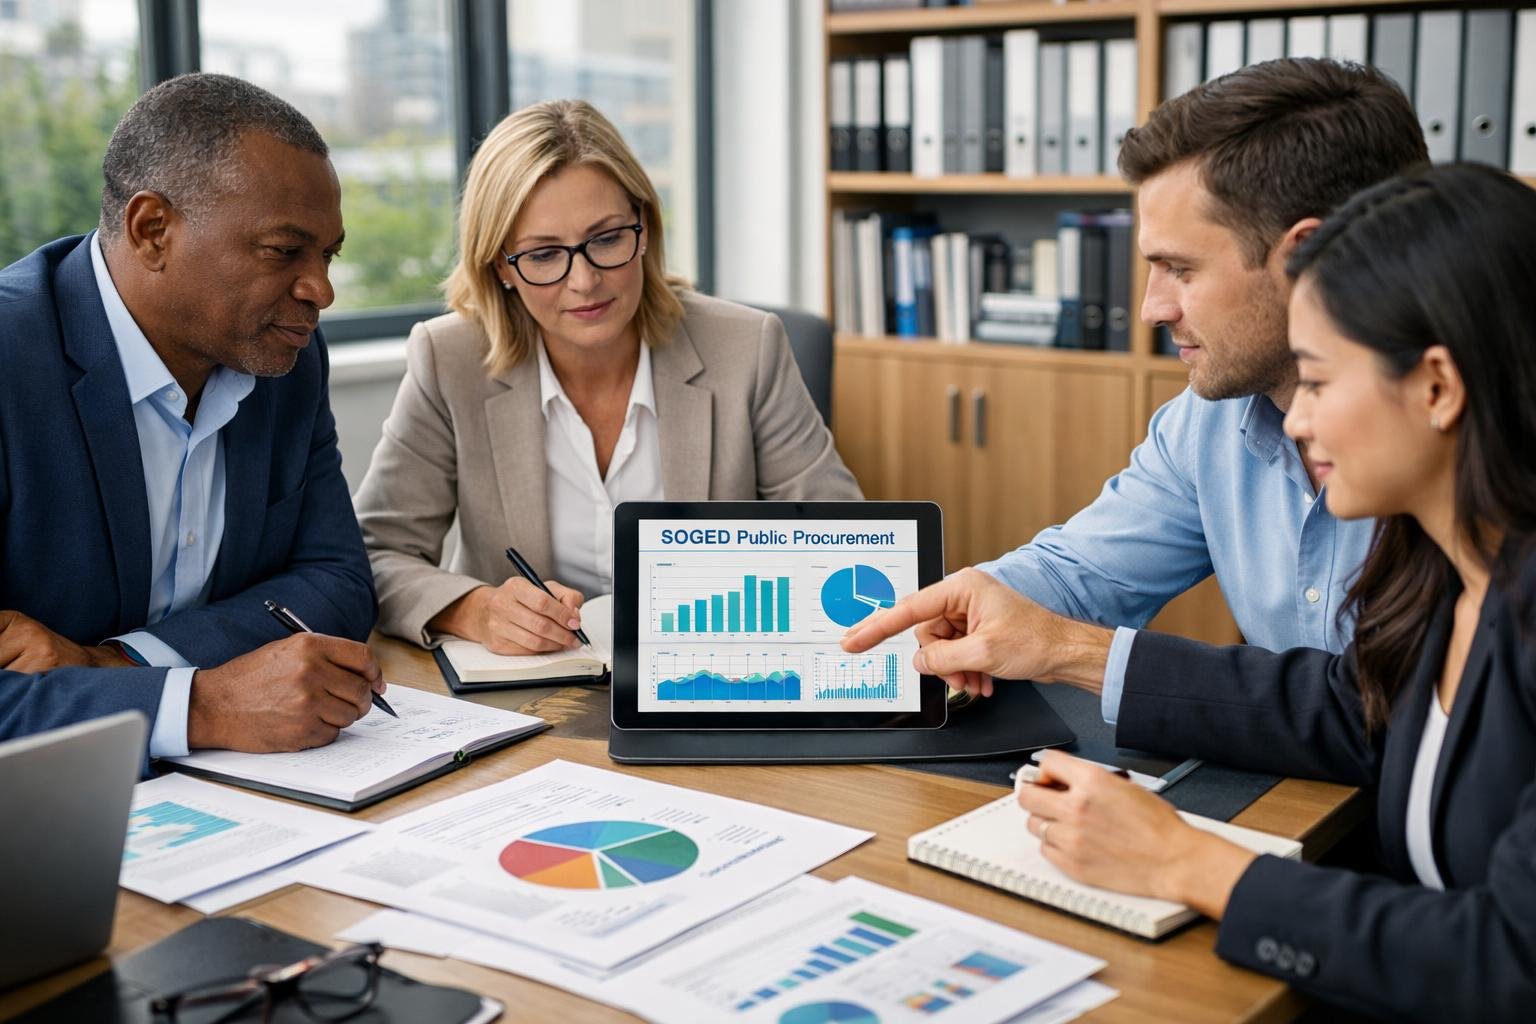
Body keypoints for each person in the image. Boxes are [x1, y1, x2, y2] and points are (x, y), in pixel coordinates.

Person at [848, 164, 1536, 1020]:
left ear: (1437, 387)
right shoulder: (1453, 571)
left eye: (1320, 382)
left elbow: (1511, 963)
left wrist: (1186, 862)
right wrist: (1063, 648)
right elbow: (1357, 707)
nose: (1297, 420)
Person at [973, 59, 1428, 721]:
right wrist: (964, 604)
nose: (1151, 309)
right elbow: (1085, 573)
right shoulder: (1207, 418)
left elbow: (1396, 712)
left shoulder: (1470, 444)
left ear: (1311, 256)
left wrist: (1073, 651)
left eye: (1179, 269)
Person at [354, 99, 860, 653]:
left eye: (607, 239)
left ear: (644, 229)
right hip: (532, 687)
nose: (584, 281)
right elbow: (374, 553)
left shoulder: (746, 347)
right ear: (501, 266)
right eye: (544, 255)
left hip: (711, 671)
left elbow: (848, 541)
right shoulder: (449, 360)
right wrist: (474, 610)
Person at [0, 73, 382, 767]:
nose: (321, 290)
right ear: (153, 230)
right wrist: (202, 706)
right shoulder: (9, 357)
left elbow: (337, 582)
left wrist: (121, 664)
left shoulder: (285, 355)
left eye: (328, 255)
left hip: (253, 785)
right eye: (284, 251)